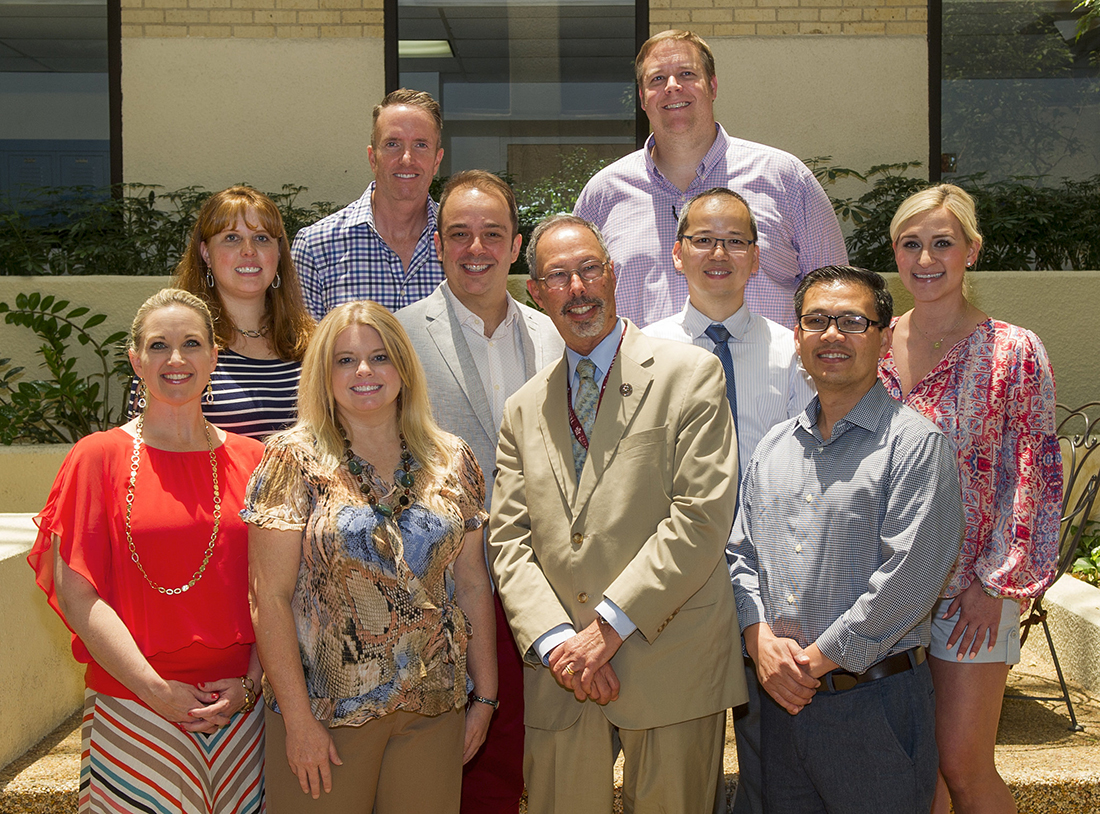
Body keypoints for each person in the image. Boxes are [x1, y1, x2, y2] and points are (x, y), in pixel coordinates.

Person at [489, 214, 745, 814]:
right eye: (558, 275)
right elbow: (509, 541)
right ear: (536, 292)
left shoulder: (691, 374)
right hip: (564, 675)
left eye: (589, 269)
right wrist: (559, 644)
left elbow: (700, 518)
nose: (577, 289)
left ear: (613, 274)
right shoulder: (524, 408)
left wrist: (607, 629)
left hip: (671, 658)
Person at [727, 265, 964, 813]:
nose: (832, 334)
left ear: (882, 337)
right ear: (798, 337)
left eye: (853, 321)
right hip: (778, 712)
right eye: (817, 320)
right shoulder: (773, 449)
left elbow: (909, 581)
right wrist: (758, 638)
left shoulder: (916, 446)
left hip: (873, 708)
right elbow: (741, 556)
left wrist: (809, 664)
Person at [245, 301, 496, 814]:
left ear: (403, 367)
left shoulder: (452, 459)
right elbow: (267, 598)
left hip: (433, 706)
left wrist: (485, 698)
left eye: (380, 357)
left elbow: (472, 585)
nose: (364, 371)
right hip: (325, 714)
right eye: (345, 360)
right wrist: (297, 720)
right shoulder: (291, 460)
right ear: (323, 373)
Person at [28, 288, 267, 814]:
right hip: (136, 706)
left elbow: (278, 591)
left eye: (191, 344)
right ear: (135, 359)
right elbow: (78, 595)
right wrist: (156, 690)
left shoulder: (256, 462)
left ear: (214, 357)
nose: (175, 359)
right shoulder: (97, 458)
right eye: (159, 346)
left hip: (241, 714)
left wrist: (249, 686)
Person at [879, 185, 1062, 814]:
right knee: (915, 767)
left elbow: (1033, 474)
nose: (925, 259)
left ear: (972, 251)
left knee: (962, 763)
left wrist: (998, 583)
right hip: (884, 590)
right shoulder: (868, 344)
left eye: (942, 243)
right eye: (911, 244)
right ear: (895, 254)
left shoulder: (1013, 351)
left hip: (972, 591)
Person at [396, 170, 563, 814]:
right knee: (444, 771)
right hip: (436, 594)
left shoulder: (554, 336)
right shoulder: (397, 338)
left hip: (539, 591)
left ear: (516, 245)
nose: (476, 248)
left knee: (521, 760)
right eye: (459, 234)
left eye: (492, 234)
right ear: (437, 246)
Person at [643, 186, 814, 814]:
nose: (720, 253)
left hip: (772, 590)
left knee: (772, 770)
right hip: (676, 589)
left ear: (757, 255)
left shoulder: (794, 354)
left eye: (736, 240)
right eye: (703, 239)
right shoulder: (643, 352)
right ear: (677, 253)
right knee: (683, 773)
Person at [574, 29, 847, 330]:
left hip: (768, 376)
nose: (672, 87)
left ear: (713, 85)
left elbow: (838, 297)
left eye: (687, 74)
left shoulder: (786, 179)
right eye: (657, 79)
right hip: (645, 377)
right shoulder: (602, 196)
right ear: (642, 98)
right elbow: (580, 303)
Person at [156, 185, 314, 439]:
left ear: (278, 253)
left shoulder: (312, 346)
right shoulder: (177, 346)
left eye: (262, 238)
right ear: (206, 253)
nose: (249, 250)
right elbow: (147, 445)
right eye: (232, 238)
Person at [293, 89, 446, 318]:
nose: (407, 159)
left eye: (421, 145)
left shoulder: (460, 244)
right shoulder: (315, 248)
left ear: (436, 160)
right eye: (393, 144)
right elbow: (305, 351)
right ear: (373, 158)